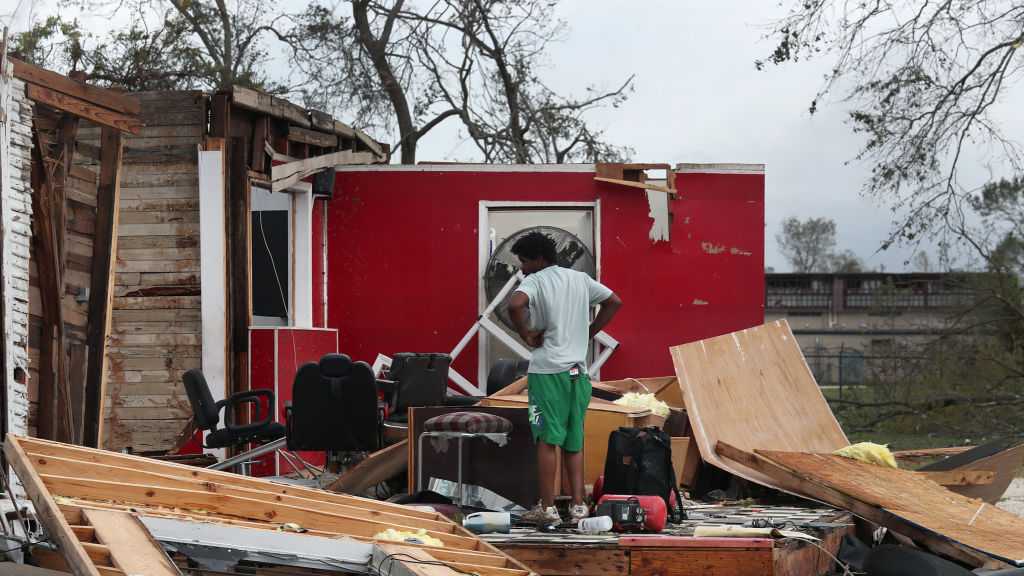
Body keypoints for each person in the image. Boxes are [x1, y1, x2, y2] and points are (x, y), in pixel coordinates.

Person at [506, 231, 622, 526]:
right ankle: (579, 507)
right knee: (574, 441)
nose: (521, 269)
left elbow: (515, 305)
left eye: (524, 261)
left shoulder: (535, 280)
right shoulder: (579, 279)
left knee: (546, 441)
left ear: (540, 259)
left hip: (547, 373)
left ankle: (547, 510)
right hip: (577, 373)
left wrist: (526, 333)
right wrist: (590, 331)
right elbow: (614, 302)